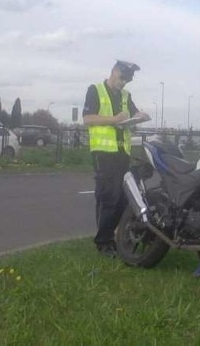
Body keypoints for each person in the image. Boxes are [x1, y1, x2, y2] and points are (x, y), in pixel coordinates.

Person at [82, 60, 150, 257]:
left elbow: (133, 114)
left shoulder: (126, 95)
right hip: (103, 153)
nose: (123, 84)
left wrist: (140, 116)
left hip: (122, 153)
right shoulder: (95, 90)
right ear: (114, 71)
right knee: (108, 197)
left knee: (122, 197)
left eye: (127, 81)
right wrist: (114, 120)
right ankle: (104, 242)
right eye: (122, 78)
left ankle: (112, 236)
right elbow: (87, 119)